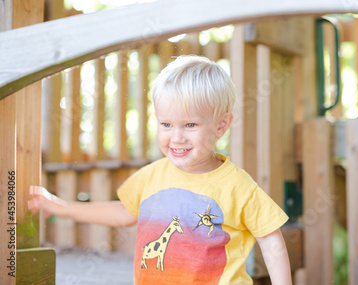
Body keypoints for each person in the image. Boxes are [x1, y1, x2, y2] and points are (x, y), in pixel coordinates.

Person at [29, 55, 292, 285]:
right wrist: (61, 207)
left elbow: (270, 239)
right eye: (166, 124)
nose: (176, 138)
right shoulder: (152, 175)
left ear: (221, 125)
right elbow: (123, 212)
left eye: (190, 125)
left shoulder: (237, 185)